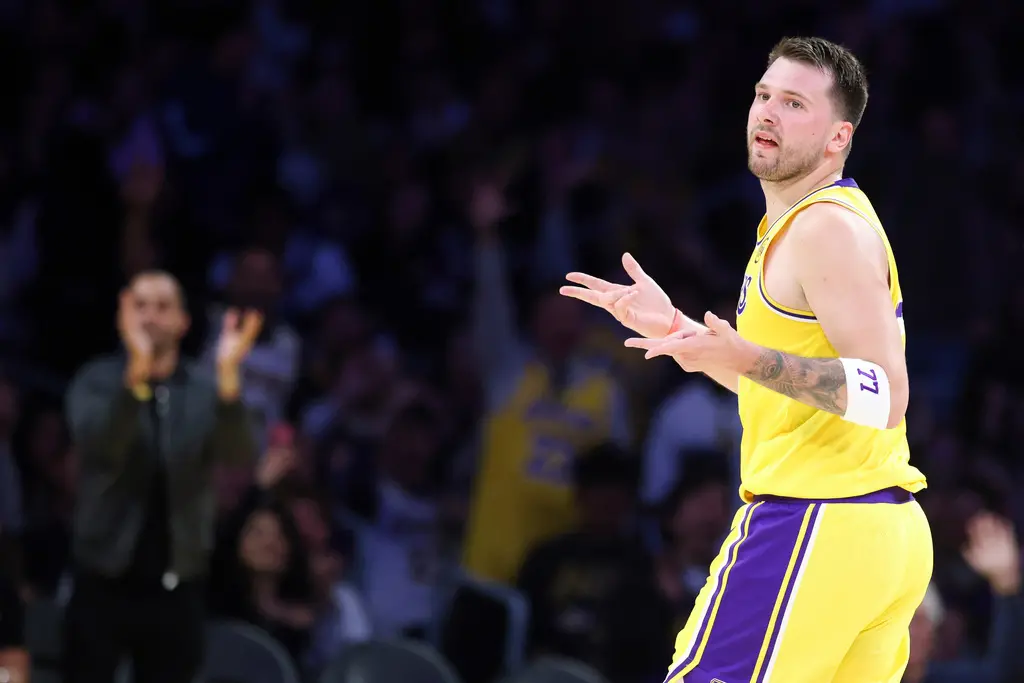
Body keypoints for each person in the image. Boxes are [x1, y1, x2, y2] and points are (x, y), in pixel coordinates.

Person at [561, 36, 932, 683]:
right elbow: (792, 385)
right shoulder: (801, 227)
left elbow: (884, 394)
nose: (768, 112)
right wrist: (680, 332)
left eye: (795, 103)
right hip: (874, 527)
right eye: (764, 95)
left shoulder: (825, 229)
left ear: (838, 137)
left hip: (817, 516)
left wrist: (753, 357)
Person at [64, 270, 261, 683]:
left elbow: (237, 454)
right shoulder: (96, 380)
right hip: (103, 578)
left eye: (162, 306)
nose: (150, 317)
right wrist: (135, 379)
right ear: (122, 315)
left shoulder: (203, 390)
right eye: (140, 306)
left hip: (178, 584)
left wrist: (228, 378)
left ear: (183, 322)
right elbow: (104, 446)